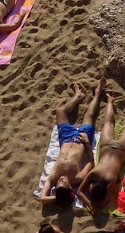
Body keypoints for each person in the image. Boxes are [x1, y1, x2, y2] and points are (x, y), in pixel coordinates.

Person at [38, 78, 105, 207]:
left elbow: (42, 199)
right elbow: (91, 162)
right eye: (62, 183)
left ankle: (78, 97)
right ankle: (98, 92)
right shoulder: (77, 178)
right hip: (81, 141)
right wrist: (86, 142)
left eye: (58, 184)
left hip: (66, 138)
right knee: (89, 116)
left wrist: (59, 196)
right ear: (69, 186)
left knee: (59, 111)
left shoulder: (53, 177)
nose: (60, 180)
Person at [80, 95, 125, 214]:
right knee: (109, 122)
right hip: (106, 145)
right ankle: (110, 101)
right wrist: (90, 203)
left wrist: (92, 205)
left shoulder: (110, 181)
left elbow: (103, 202)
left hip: (121, 150)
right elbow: (79, 192)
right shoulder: (94, 173)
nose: (88, 189)